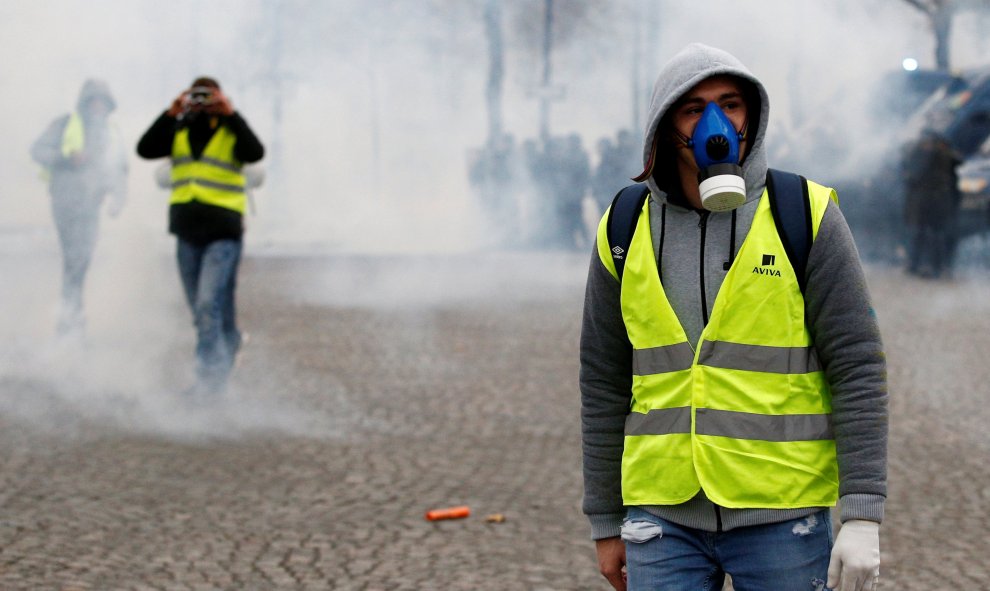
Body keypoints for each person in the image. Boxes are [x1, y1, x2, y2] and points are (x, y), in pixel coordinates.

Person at [580, 44, 887, 591]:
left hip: (782, 518)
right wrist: (606, 521)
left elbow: (858, 367)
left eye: (730, 104)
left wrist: (862, 512)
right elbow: (602, 382)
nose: (715, 123)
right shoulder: (624, 227)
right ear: (665, 123)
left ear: (752, 117)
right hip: (661, 520)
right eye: (693, 108)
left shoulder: (806, 215)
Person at [136, 77, 264, 396]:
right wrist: (171, 113)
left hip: (223, 232)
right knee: (201, 310)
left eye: (210, 96)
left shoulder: (230, 130)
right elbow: (145, 149)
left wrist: (230, 114)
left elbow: (255, 152)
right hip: (187, 232)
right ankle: (228, 342)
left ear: (222, 97)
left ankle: (209, 382)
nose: (203, 101)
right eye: (198, 96)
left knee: (208, 304)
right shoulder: (178, 128)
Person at [31, 79, 128, 338]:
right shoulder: (64, 124)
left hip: (91, 206)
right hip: (65, 203)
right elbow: (38, 150)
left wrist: (118, 198)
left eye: (102, 102)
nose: (98, 107)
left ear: (109, 105)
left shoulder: (112, 132)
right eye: (93, 101)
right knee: (76, 260)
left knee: (80, 262)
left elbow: (120, 169)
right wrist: (67, 159)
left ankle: (70, 322)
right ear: (85, 103)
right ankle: (70, 325)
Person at [902, 128, 961, 278]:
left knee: (935, 236)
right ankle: (919, 265)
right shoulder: (923, 155)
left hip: (936, 202)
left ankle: (935, 267)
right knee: (921, 234)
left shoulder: (940, 157)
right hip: (926, 203)